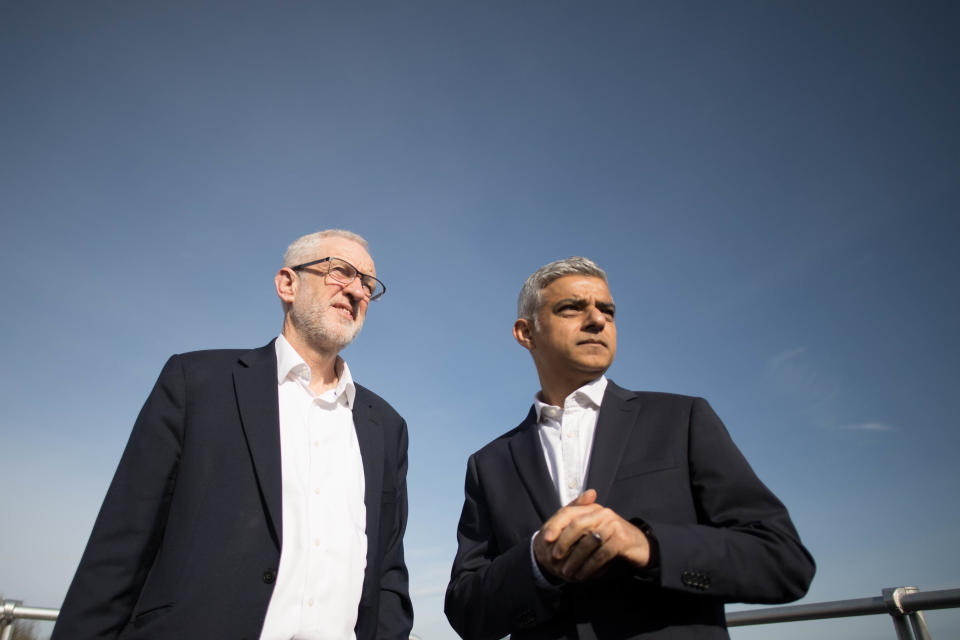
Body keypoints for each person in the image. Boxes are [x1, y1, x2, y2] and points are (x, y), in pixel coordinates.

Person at [53, 230, 412, 640]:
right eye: (340, 272)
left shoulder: (386, 427)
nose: (356, 291)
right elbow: (121, 548)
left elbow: (386, 574)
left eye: (367, 283)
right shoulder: (196, 384)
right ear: (287, 284)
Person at [445, 257, 814, 640]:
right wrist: (536, 560)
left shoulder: (682, 419)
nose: (597, 320)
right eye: (572, 308)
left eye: (607, 310)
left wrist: (649, 546)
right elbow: (466, 612)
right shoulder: (489, 464)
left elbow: (784, 562)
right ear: (526, 333)